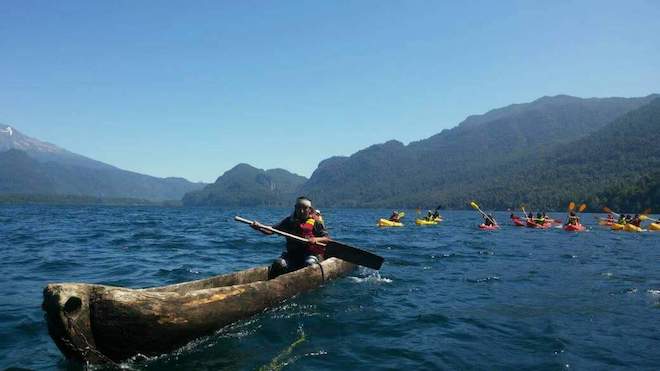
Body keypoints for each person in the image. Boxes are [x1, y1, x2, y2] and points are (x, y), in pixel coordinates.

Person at [251, 197, 331, 279]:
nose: (301, 211)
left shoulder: (316, 222)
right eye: (298, 208)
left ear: (309, 209)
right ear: (295, 208)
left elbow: (327, 239)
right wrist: (259, 227)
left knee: (309, 263)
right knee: (279, 263)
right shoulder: (289, 221)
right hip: (293, 256)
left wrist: (316, 239)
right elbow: (271, 230)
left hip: (310, 255)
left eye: (304, 208)